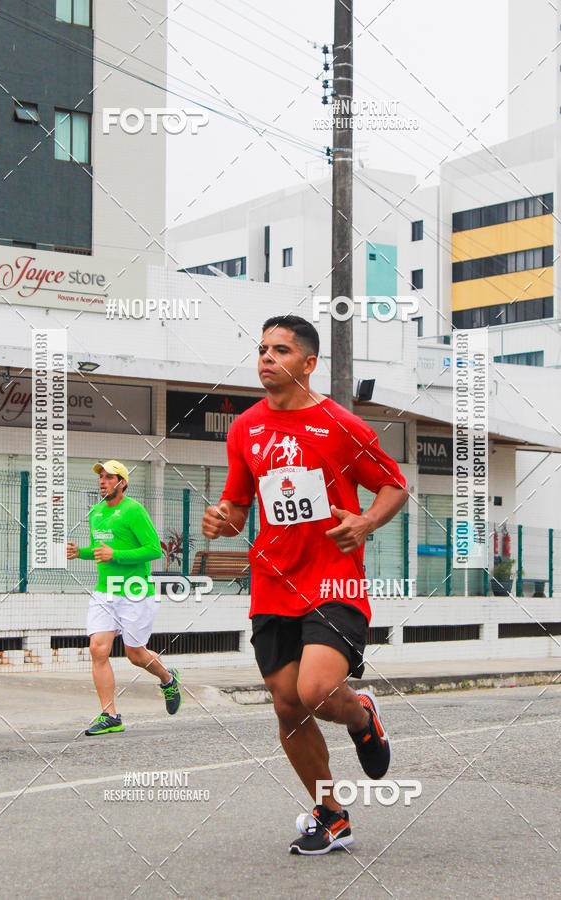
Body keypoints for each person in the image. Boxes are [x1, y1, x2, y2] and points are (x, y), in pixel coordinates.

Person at [202, 316, 408, 855]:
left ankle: (361, 714)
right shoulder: (245, 427)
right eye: (263, 348)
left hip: (333, 577)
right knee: (288, 705)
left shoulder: (341, 424)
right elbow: (240, 507)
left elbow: (393, 484)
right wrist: (222, 519)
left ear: (308, 364)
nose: (267, 357)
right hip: (273, 581)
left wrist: (365, 522)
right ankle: (332, 815)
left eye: (281, 350)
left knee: (316, 691)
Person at [67, 459, 181, 735]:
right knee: (98, 648)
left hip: (135, 591)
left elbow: (154, 549)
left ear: (122, 482)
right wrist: (78, 552)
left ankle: (167, 679)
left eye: (109, 477)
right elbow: (99, 550)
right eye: (100, 477)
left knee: (135, 654)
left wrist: (115, 555)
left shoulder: (134, 511)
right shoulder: (96, 513)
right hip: (105, 591)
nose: (102, 481)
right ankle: (110, 715)